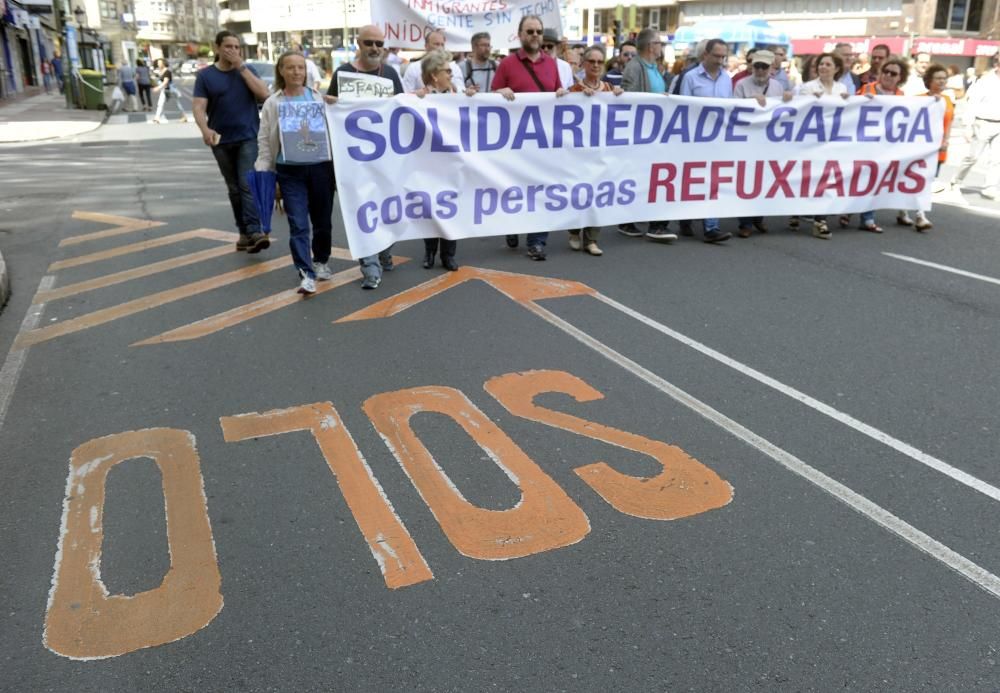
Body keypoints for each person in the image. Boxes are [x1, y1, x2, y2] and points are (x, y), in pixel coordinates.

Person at [255, 51, 338, 295]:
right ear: (281, 71)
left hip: (321, 168)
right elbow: (264, 138)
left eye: (300, 67)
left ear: (306, 70)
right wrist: (264, 171)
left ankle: (321, 260)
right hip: (289, 171)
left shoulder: (318, 99)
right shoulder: (273, 103)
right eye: (290, 67)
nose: (296, 72)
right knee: (298, 223)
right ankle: (305, 272)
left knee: (322, 221)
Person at [328, 24, 403, 288]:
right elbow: (332, 110)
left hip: (385, 157)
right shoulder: (343, 73)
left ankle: (383, 249)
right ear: (358, 44)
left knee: (386, 205)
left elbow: (403, 111)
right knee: (361, 206)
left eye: (379, 44)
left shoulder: (391, 73)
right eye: (369, 43)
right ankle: (369, 266)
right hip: (354, 158)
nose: (374, 48)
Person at [492, 14, 567, 261]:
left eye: (538, 31)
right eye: (530, 31)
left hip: (544, 141)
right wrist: (499, 92)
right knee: (515, 188)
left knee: (541, 189)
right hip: (514, 142)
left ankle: (537, 241)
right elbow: (490, 99)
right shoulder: (507, 64)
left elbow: (557, 93)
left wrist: (561, 93)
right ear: (520, 34)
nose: (535, 36)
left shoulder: (551, 63)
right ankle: (513, 225)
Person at [192, 31, 272, 252]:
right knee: (234, 188)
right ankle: (244, 233)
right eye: (228, 46)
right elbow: (199, 106)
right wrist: (204, 128)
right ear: (217, 48)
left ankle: (255, 230)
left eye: (237, 47)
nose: (233, 51)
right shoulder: (206, 76)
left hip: (248, 136)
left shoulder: (247, 70)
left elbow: (264, 94)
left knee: (246, 183)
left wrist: (241, 67)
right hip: (221, 139)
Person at [619, 28, 678, 242]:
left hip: (656, 132)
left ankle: (653, 222)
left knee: (653, 176)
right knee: (642, 176)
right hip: (642, 132)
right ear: (650, 45)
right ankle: (638, 221)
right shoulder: (634, 67)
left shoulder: (655, 68)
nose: (661, 47)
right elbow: (629, 98)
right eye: (659, 43)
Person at [567, 45, 624, 256]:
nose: (596, 65)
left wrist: (620, 96)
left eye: (600, 62)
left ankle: (591, 238)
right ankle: (574, 231)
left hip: (603, 152)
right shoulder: (573, 90)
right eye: (592, 62)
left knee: (598, 193)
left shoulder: (609, 89)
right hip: (579, 152)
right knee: (578, 192)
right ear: (584, 64)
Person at [732, 49, 792, 238]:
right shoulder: (741, 84)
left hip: (768, 140)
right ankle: (745, 222)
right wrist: (750, 102)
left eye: (763, 67)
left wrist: (789, 99)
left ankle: (758, 218)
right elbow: (732, 108)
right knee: (747, 179)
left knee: (765, 179)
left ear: (771, 68)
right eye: (756, 66)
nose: (759, 70)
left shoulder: (777, 86)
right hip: (747, 139)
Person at [680, 38, 733, 244]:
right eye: (717, 56)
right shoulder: (691, 78)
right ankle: (685, 218)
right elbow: (682, 107)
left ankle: (712, 226)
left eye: (723, 56)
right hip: (695, 138)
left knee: (714, 180)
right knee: (691, 180)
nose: (720, 60)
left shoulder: (726, 79)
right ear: (705, 55)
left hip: (718, 138)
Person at [798, 52, 849, 239]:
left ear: (836, 69)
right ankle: (797, 209)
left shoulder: (841, 88)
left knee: (827, 178)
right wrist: (812, 99)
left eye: (828, 64)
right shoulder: (808, 88)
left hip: (832, 142)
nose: (823, 67)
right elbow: (800, 110)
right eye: (821, 64)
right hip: (812, 140)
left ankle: (820, 220)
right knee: (808, 177)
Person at [856, 56, 908, 232]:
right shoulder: (867, 89)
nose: (888, 75)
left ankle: (867, 217)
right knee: (858, 178)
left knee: (874, 180)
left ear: (900, 77)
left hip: (886, 146)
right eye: (885, 71)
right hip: (864, 142)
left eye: (893, 73)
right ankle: (853, 212)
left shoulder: (902, 96)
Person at [904, 63, 953, 229]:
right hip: (919, 148)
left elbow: (949, 122)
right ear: (929, 80)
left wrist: (946, 140)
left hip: (938, 148)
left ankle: (904, 211)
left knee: (928, 180)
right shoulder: (919, 99)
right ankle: (920, 215)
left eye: (944, 79)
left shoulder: (947, 100)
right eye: (938, 78)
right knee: (918, 180)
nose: (941, 82)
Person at [949, 52, 1000, 200]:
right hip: (982, 122)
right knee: (972, 156)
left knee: (997, 159)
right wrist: (968, 125)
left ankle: (990, 187)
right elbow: (972, 103)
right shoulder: (986, 80)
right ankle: (956, 181)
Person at [401, 30, 464, 94]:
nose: (440, 48)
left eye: (442, 45)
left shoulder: (454, 67)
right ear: (426, 46)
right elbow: (406, 95)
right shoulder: (413, 68)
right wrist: (420, 94)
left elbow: (462, 91)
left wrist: (451, 86)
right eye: (436, 44)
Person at [152, 58, 189, 124]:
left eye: (159, 63)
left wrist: (158, 88)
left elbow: (165, 82)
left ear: (163, 63)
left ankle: (184, 116)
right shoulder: (161, 71)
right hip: (164, 90)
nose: (158, 64)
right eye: (158, 63)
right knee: (160, 104)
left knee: (176, 104)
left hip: (170, 90)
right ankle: (157, 118)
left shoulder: (167, 72)